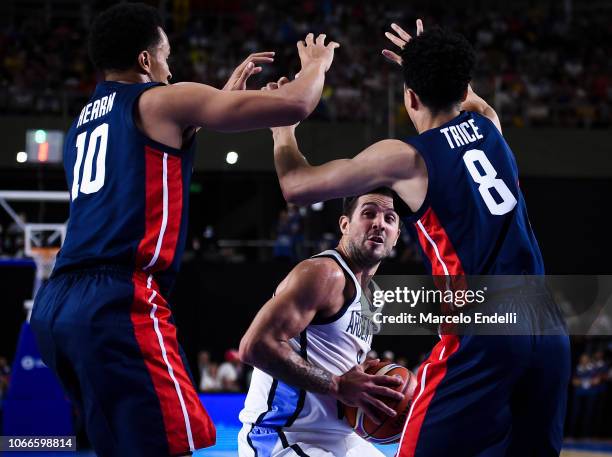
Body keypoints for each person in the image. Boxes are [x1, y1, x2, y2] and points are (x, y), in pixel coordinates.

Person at [29, 3, 339, 456]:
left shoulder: (82, 124)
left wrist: (215, 103)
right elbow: (296, 103)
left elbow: (153, 153)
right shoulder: (159, 98)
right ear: (144, 61)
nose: (170, 70)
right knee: (169, 446)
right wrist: (316, 66)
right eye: (166, 57)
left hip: (58, 303)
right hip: (118, 298)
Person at [266, 20, 570, 457]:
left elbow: (296, 185)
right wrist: (429, 59)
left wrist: (283, 130)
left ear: (410, 96)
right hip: (549, 323)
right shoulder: (489, 124)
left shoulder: (406, 157)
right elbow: (467, 96)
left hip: (486, 326)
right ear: (463, 86)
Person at [238, 188, 404, 457]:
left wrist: (365, 373)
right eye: (368, 213)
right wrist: (337, 385)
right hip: (284, 435)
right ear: (345, 224)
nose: (379, 223)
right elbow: (254, 346)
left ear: (396, 236)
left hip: (343, 437)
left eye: (390, 218)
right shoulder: (325, 273)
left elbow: (328, 353)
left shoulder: (371, 295)